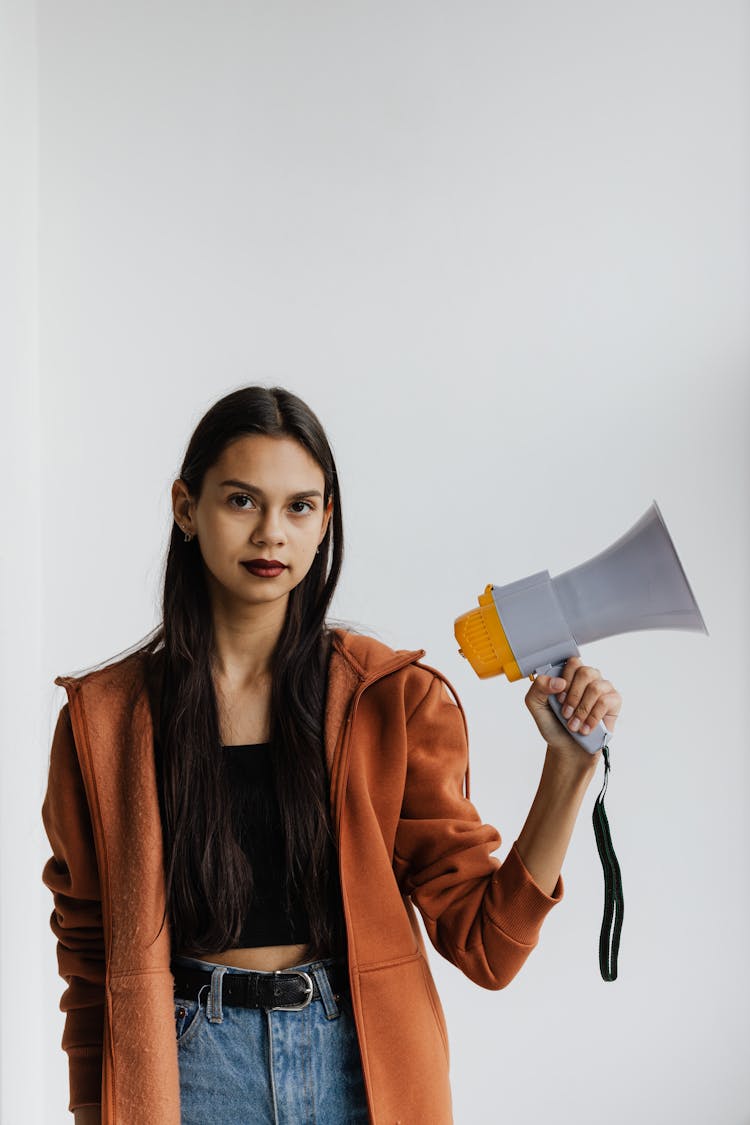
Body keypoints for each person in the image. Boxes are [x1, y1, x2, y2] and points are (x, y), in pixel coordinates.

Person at [41, 385, 622, 1125]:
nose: (271, 534)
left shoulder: (389, 698)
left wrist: (568, 771)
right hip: (187, 1069)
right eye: (242, 501)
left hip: (360, 1065)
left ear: (325, 522)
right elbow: (89, 953)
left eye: (300, 506)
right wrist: (96, 1109)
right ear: (187, 508)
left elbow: (488, 947)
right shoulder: (106, 721)